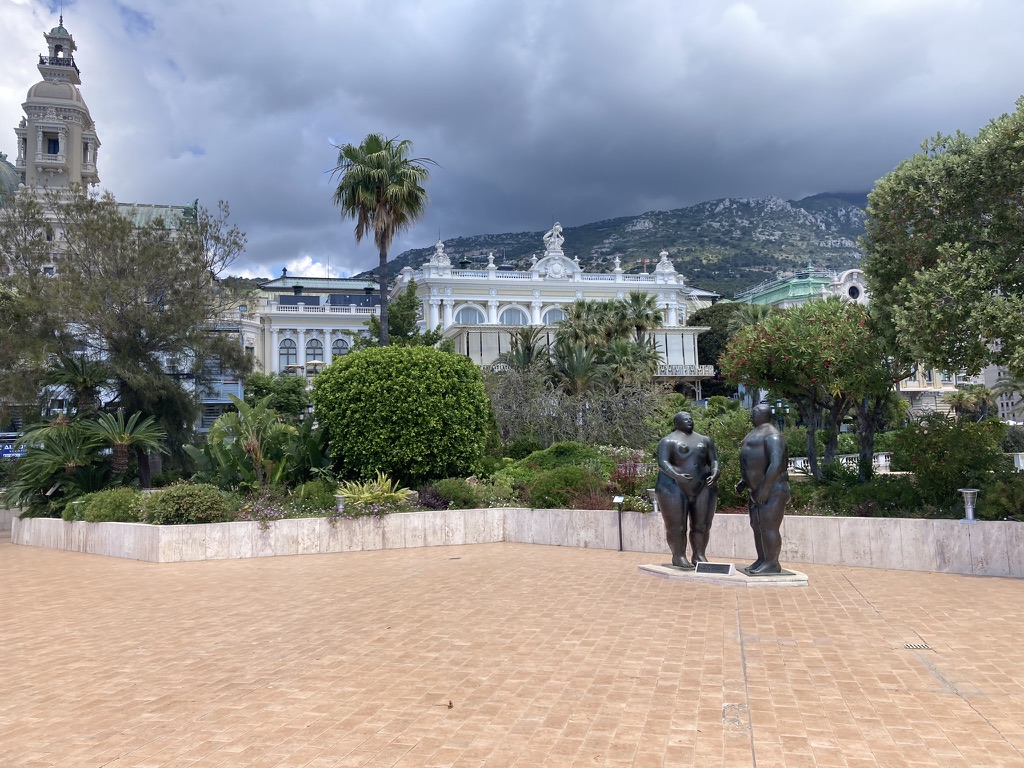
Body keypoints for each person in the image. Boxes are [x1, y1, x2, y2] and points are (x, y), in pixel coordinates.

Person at [655, 411, 719, 568]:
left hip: (703, 485)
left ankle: (699, 555)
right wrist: (676, 475)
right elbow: (663, 463)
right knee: (677, 526)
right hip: (673, 486)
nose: (689, 421)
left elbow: (714, 460)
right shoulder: (668, 441)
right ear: (677, 423)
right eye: (685, 419)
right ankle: (679, 556)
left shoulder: (705, 440)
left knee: (702, 525)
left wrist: (716, 472)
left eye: (690, 419)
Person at [735, 404, 791, 575]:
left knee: (769, 527)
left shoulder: (773, 435)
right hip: (756, 490)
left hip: (773, 489)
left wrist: (766, 488)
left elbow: (776, 463)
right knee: (757, 526)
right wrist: (744, 481)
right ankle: (763, 559)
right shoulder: (755, 433)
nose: (751, 415)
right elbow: (754, 463)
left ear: (764, 414)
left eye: (754, 413)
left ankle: (772, 563)